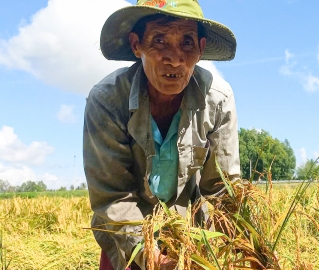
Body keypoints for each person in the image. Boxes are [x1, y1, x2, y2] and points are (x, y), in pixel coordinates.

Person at [83, 0, 240, 269]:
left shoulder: (217, 99)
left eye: (187, 42)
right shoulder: (108, 100)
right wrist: (155, 260)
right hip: (128, 235)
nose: (175, 58)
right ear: (136, 45)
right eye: (159, 40)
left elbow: (222, 191)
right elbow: (113, 198)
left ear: (201, 49)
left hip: (190, 235)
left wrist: (242, 248)